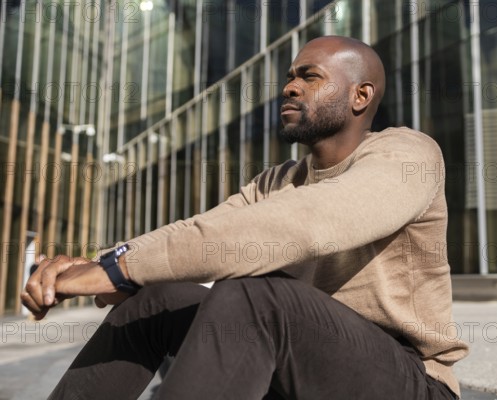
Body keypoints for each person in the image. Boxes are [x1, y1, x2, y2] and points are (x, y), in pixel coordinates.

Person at [22, 36, 469, 399]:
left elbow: (307, 224)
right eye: (290, 77)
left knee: (256, 296)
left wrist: (117, 267)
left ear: (360, 95)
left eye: (310, 77)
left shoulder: (408, 154)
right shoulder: (278, 181)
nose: (290, 87)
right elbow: (204, 236)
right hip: (301, 371)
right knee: (154, 301)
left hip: (408, 381)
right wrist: (97, 265)